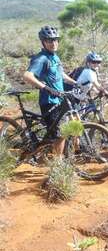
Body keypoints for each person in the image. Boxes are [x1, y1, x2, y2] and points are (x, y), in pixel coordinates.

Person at [22, 25, 78, 155]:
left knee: (66, 129)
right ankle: (57, 167)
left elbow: (61, 74)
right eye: (49, 40)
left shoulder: (55, 57)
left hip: (60, 99)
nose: (53, 43)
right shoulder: (41, 58)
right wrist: (45, 88)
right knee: (59, 135)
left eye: (55, 40)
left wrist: (76, 83)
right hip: (49, 101)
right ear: (43, 42)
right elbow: (27, 76)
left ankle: (63, 155)